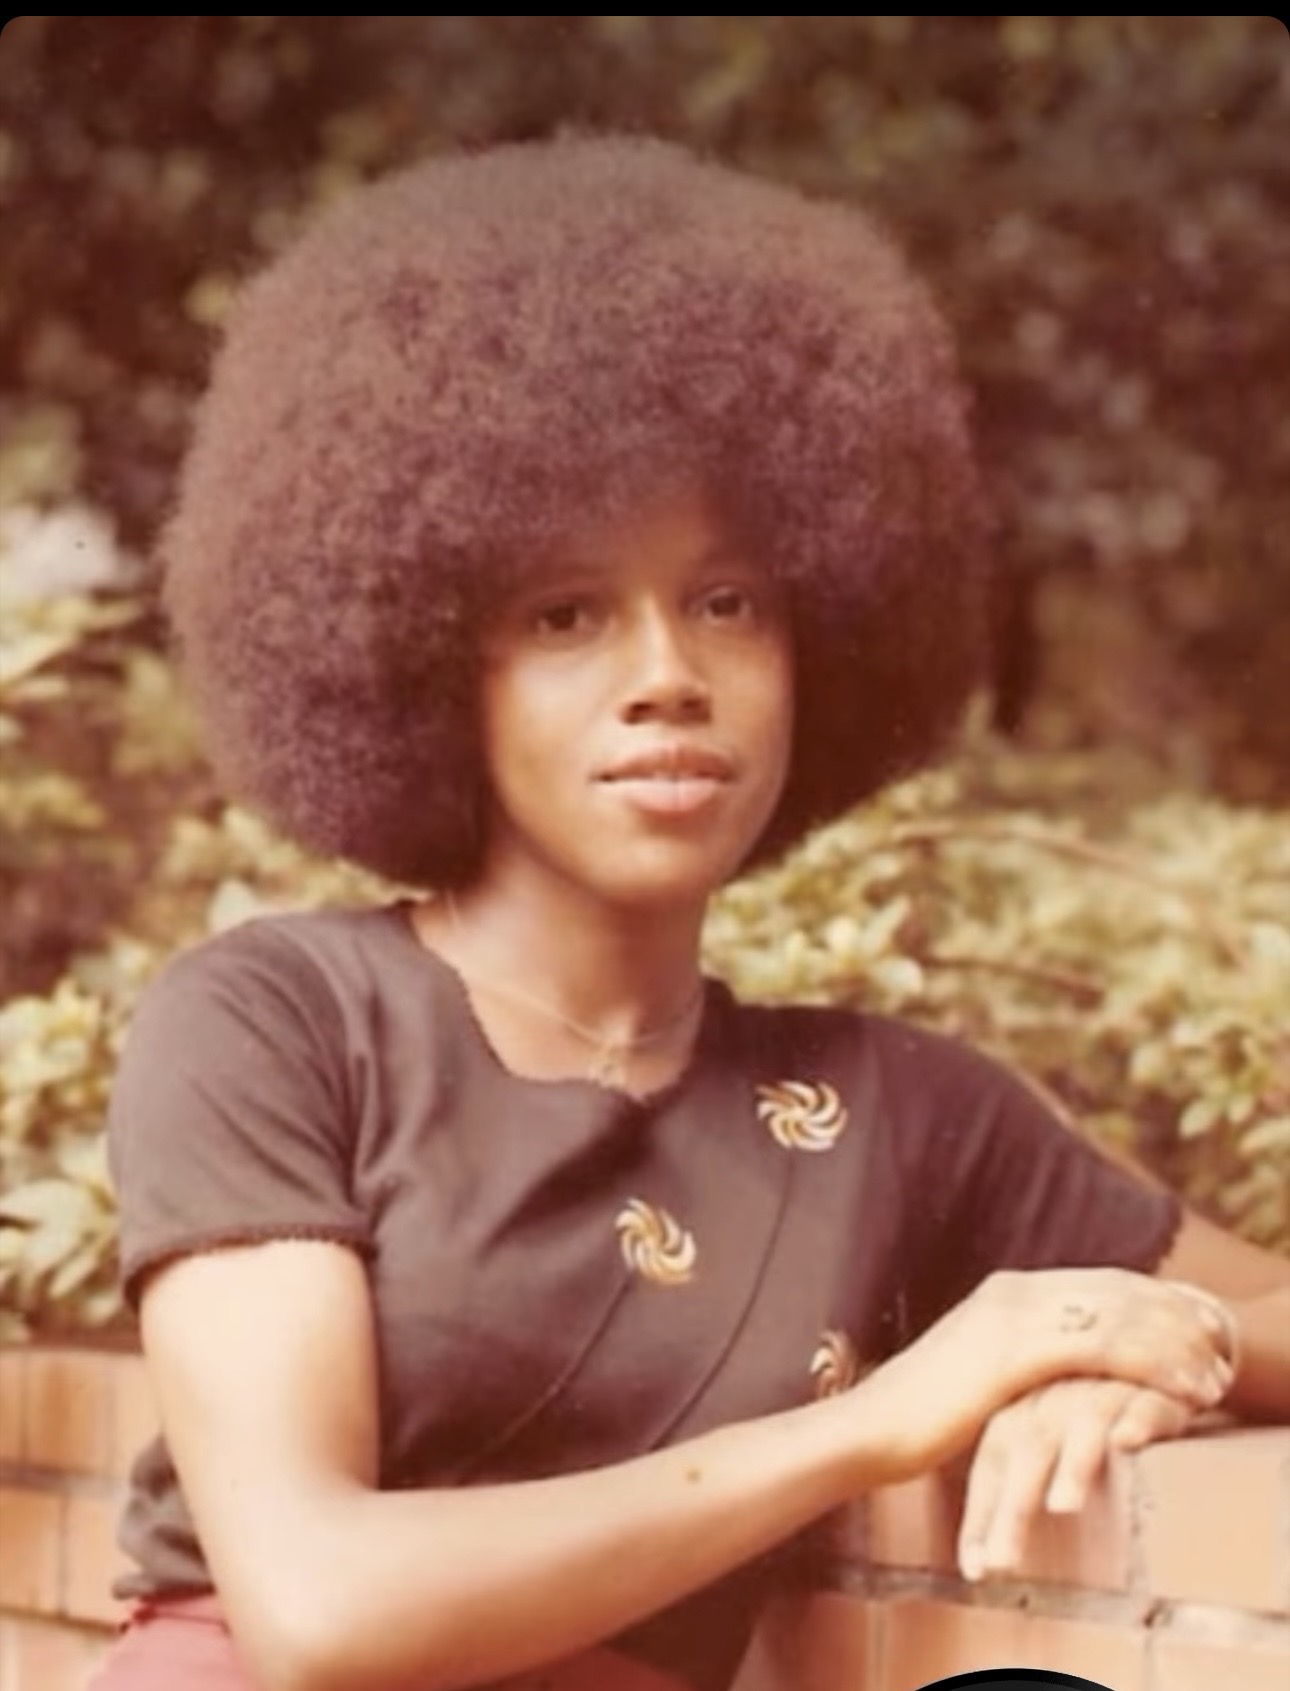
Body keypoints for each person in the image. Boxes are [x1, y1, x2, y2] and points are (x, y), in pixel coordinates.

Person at [93, 135, 1290, 1691]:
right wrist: (878, 1423)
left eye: (727, 602)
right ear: (428, 662)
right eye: (565, 615)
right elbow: (321, 1606)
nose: (667, 674)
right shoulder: (279, 1024)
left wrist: (1148, 1349)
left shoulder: (889, 1114)